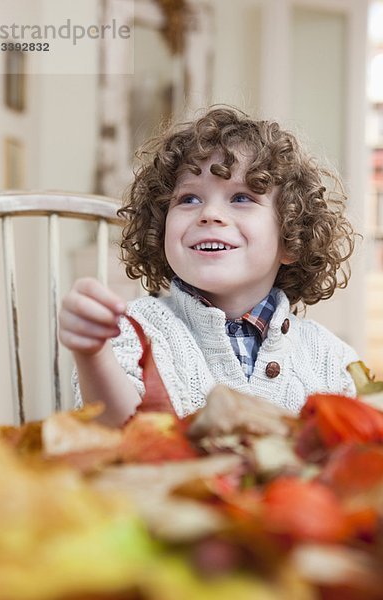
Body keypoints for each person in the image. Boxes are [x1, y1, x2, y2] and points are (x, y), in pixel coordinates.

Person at [59, 106, 359, 427]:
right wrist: (93, 355)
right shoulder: (133, 330)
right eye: (189, 199)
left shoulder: (330, 359)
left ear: (291, 238)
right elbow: (123, 433)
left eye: (242, 197)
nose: (209, 213)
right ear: (160, 229)